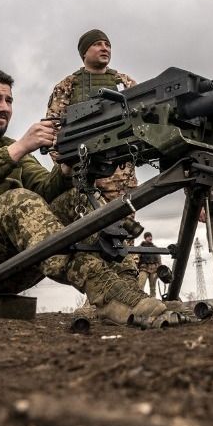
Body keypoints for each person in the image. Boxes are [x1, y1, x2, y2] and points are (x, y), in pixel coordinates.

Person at [0, 68, 170, 325]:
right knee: (17, 201)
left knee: (76, 200)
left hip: (6, 264)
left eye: (9, 100)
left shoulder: (10, 146)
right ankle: (105, 292)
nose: (4, 107)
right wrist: (20, 148)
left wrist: (65, 169)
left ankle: (129, 292)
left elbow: (44, 190)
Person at [45, 28, 142, 279]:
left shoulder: (124, 82)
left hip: (121, 174)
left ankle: (129, 287)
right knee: (92, 233)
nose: (105, 48)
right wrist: (67, 167)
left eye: (107, 44)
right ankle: (102, 290)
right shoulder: (67, 86)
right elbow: (54, 129)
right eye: (98, 44)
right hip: (86, 176)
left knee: (125, 231)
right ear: (84, 52)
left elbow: (143, 117)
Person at [137, 232, 161, 298]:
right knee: (140, 285)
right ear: (145, 238)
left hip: (154, 269)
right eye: (148, 236)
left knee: (153, 287)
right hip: (144, 268)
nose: (150, 238)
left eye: (151, 236)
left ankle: (153, 300)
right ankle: (139, 299)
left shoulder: (155, 248)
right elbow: (136, 258)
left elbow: (159, 259)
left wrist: (160, 269)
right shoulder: (140, 247)